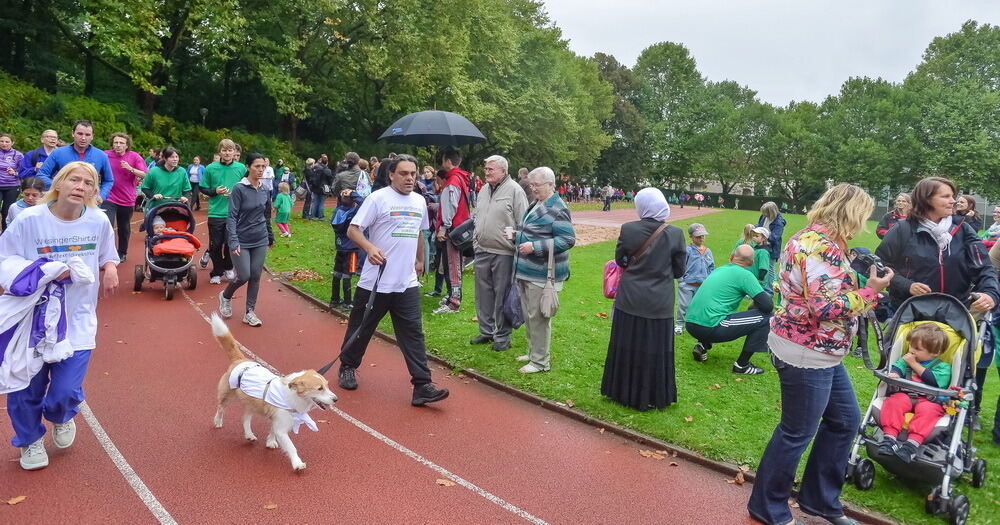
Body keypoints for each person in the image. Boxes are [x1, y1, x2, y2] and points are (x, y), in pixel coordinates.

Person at [748, 183, 893, 525]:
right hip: (806, 351)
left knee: (844, 422)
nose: (866, 221)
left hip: (820, 349)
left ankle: (820, 501)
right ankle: (767, 507)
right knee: (796, 431)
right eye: (864, 213)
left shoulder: (813, 238)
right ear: (852, 212)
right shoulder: (822, 247)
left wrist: (857, 284)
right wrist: (870, 292)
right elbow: (825, 306)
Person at [0, 161, 119, 470]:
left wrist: (110, 269)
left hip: (77, 318)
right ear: (59, 183)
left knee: (65, 389)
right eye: (74, 180)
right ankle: (30, 440)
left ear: (94, 191)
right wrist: (44, 271)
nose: (80, 186)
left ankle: (61, 414)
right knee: (25, 386)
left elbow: (108, 253)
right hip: (32, 319)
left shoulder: (98, 222)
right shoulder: (29, 220)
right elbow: (5, 256)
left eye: (88, 183)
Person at [876, 176, 999, 430]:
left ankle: (965, 410)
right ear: (926, 199)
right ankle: (898, 407)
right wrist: (904, 284)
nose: (953, 200)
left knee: (961, 363)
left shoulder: (963, 230)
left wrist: (990, 293)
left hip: (957, 313)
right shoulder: (903, 230)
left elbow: (983, 267)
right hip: (913, 314)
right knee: (906, 360)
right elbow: (879, 265)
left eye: (953, 195)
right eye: (945, 196)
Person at [335, 154, 449, 406]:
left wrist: (420, 261)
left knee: (413, 334)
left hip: (406, 283)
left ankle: (422, 385)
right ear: (391, 175)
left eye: (413, 174)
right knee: (362, 328)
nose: (410, 178)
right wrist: (370, 248)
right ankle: (347, 367)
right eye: (404, 173)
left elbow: (419, 233)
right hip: (375, 282)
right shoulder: (377, 199)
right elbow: (354, 229)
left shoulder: (419, 201)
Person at [601, 188, 685, 411]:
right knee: (656, 348)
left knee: (626, 343)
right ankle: (653, 395)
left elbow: (621, 260)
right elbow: (679, 271)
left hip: (630, 297)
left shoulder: (629, 229)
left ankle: (621, 391)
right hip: (659, 300)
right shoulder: (675, 234)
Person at [514, 167, 576, 374]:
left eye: (536, 185)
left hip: (542, 273)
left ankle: (540, 362)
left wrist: (535, 247)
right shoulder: (536, 203)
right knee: (530, 315)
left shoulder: (558, 208)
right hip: (526, 270)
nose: (532, 188)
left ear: (550, 184)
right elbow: (533, 231)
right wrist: (517, 235)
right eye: (531, 184)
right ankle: (533, 352)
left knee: (539, 317)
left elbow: (567, 239)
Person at [469, 155, 528, 351]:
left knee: (502, 295)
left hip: (504, 252)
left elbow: (523, 223)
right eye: (485, 168)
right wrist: (476, 239)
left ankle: (502, 336)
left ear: (503, 171)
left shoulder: (515, 190)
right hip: (482, 249)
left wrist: (517, 242)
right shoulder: (484, 189)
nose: (486, 172)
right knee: (483, 294)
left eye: (491, 169)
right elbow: (478, 216)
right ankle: (486, 331)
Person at [684, 245, 772, 375]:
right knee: (768, 318)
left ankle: (702, 345)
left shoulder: (719, 270)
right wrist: (754, 304)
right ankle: (742, 365)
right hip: (711, 326)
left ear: (731, 257)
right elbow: (767, 306)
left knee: (715, 310)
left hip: (690, 323)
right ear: (751, 262)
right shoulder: (745, 275)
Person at [876, 323, 952, 463]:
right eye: (911, 345)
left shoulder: (943, 367)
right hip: (904, 394)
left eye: (917, 349)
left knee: (929, 411)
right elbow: (897, 367)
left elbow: (934, 381)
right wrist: (894, 373)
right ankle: (889, 438)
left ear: (934, 353)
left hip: (928, 400)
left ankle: (912, 445)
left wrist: (913, 364)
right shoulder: (906, 360)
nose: (911, 350)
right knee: (893, 402)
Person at [218, 153, 274, 327]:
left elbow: (266, 215)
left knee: (256, 276)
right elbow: (232, 216)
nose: (261, 170)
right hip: (241, 239)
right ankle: (225, 296)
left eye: (263, 166)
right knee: (243, 275)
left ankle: (249, 312)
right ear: (248, 167)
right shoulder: (239, 188)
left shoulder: (265, 189)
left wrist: (270, 235)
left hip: (260, 238)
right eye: (257, 166)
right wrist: (233, 240)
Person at [200, 139, 246, 285]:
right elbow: (203, 188)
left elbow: (247, 186)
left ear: (234, 152)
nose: (227, 153)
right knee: (215, 244)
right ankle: (216, 272)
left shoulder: (241, 168)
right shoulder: (210, 168)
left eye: (230, 150)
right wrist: (215, 191)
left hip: (235, 213)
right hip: (216, 212)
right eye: (224, 150)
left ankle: (228, 267)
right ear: (219, 152)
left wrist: (238, 193)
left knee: (230, 243)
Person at [433, 150, 471, 314]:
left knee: (453, 265)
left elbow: (450, 206)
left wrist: (444, 227)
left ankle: (454, 301)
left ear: (448, 161)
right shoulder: (459, 178)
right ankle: (451, 296)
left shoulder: (453, 180)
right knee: (450, 264)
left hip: (453, 229)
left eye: (443, 160)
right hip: (456, 227)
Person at [36, 121, 114, 201]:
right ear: (73, 133)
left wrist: (101, 196)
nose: (83, 138)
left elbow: (109, 180)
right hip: (62, 201)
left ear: (92, 136)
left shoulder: (101, 156)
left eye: (87, 135)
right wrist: (60, 186)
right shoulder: (58, 153)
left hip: (88, 203)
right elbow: (41, 175)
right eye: (80, 134)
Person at [102, 132, 147, 260]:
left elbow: (145, 174)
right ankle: (106, 253)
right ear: (112, 144)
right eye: (116, 142)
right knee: (106, 225)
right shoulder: (105, 155)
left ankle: (122, 252)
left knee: (124, 228)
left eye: (121, 143)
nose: (118, 145)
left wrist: (130, 169)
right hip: (108, 196)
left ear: (127, 145)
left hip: (126, 198)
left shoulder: (134, 157)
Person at [675, 223, 714, 335]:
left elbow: (711, 266)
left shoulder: (708, 251)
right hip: (687, 284)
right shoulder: (687, 250)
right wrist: (681, 280)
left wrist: (709, 280)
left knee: (698, 306)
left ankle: (694, 325)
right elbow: (681, 266)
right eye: (698, 236)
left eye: (703, 236)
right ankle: (679, 324)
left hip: (702, 285)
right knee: (684, 305)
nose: (701, 238)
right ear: (691, 237)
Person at [330, 188, 365, 310]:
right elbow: (365, 203)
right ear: (353, 201)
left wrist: (343, 195)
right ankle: (347, 302)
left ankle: (334, 299)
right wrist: (353, 194)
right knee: (348, 275)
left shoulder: (337, 211)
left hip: (340, 247)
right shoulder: (354, 212)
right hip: (352, 248)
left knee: (337, 273)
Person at [140, 147, 191, 211]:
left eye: (176, 157)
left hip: (176, 207)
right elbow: (145, 188)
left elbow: (187, 190)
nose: (175, 159)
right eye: (172, 157)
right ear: (165, 158)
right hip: (157, 208)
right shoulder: (153, 171)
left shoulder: (182, 171)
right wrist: (153, 195)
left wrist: (184, 197)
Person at [0, 133, 25, 229]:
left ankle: (6, 234)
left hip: (12, 186)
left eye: (7, 141)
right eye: (1, 141)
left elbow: (24, 171)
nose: (4, 143)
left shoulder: (18, 155)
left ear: (12, 143)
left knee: (6, 211)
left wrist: (15, 173)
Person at [306, 155, 332, 220]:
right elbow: (330, 179)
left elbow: (312, 177)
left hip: (315, 187)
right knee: (321, 203)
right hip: (323, 188)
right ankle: (320, 216)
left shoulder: (316, 168)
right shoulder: (327, 170)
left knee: (314, 202)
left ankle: (312, 216)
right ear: (327, 162)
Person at [749, 227, 773, 292]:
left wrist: (760, 279)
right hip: (753, 279)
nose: (754, 237)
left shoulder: (763, 252)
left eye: (756, 236)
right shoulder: (755, 249)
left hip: (758, 281)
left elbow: (763, 268)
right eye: (753, 236)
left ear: (764, 238)